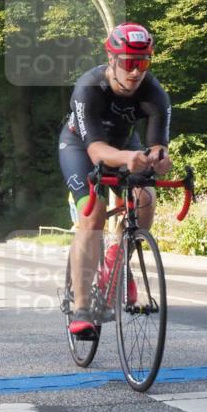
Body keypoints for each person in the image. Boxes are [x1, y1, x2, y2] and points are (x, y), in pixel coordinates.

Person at [58, 23, 173, 336]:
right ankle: (82, 307)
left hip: (124, 145)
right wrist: (128, 159)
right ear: (112, 60)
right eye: (129, 63)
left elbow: (156, 145)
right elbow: (95, 151)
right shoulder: (89, 87)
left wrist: (160, 159)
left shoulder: (154, 92)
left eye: (143, 63)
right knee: (92, 215)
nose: (136, 72)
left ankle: (116, 260)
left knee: (146, 199)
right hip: (79, 148)